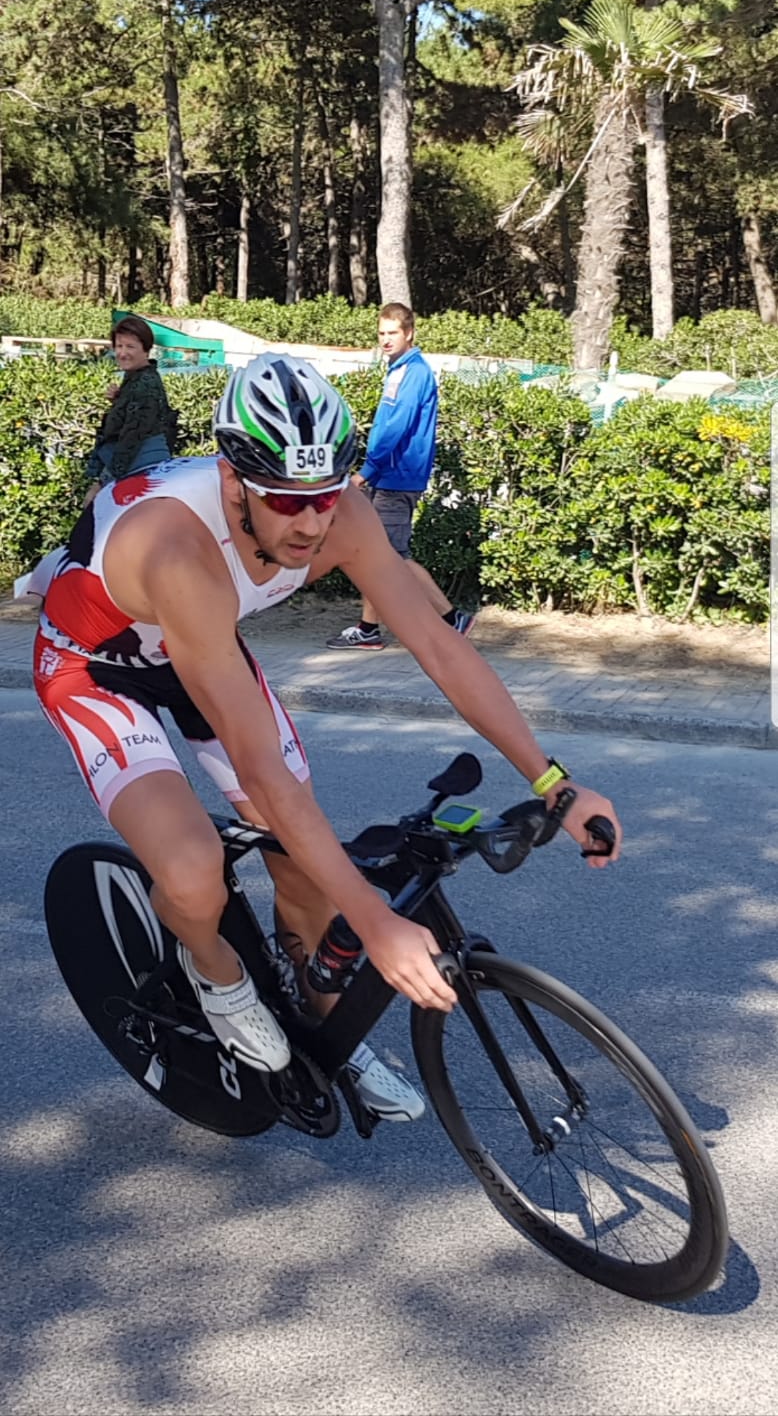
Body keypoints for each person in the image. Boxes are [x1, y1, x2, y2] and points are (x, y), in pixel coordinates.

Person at [31, 352, 621, 1125]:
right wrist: (377, 925)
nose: (310, 522)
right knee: (191, 868)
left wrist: (555, 783)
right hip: (95, 666)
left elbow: (440, 646)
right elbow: (260, 769)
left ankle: (324, 1026)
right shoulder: (178, 547)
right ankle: (216, 974)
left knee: (306, 872)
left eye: (323, 493)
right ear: (235, 482)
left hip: (201, 643)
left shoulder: (343, 512)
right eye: (284, 500)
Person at [327, 302, 474, 650]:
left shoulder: (413, 373)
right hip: (390, 476)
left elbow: (396, 428)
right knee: (378, 554)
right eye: (381, 333)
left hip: (396, 477)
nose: (386, 340)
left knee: (392, 556)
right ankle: (369, 629)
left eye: (393, 333)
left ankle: (451, 618)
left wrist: (365, 473)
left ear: (409, 333)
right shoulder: (399, 369)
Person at [83, 314, 175, 508]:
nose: (123, 353)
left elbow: (132, 437)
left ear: (146, 350)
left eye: (130, 347)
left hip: (139, 471)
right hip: (141, 470)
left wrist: (102, 484)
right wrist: (120, 399)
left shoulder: (145, 384)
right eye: (119, 346)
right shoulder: (136, 378)